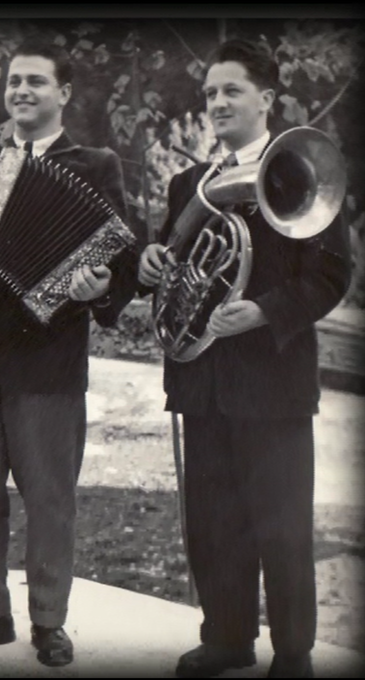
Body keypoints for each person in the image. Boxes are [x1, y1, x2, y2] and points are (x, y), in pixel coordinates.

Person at [0, 38, 142, 668]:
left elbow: (122, 259)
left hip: (47, 359)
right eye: (14, 80)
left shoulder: (96, 164)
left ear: (62, 93)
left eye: (35, 81)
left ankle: (49, 621)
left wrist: (100, 289)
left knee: (49, 497)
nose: (20, 91)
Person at [138, 38, 350, 679]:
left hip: (273, 383)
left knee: (282, 526)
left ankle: (293, 653)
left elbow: (331, 275)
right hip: (202, 381)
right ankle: (227, 639)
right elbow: (177, 270)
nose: (218, 102)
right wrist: (153, 264)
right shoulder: (188, 184)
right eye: (210, 93)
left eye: (232, 90)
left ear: (267, 99)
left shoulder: (297, 171)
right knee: (214, 524)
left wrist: (262, 311)